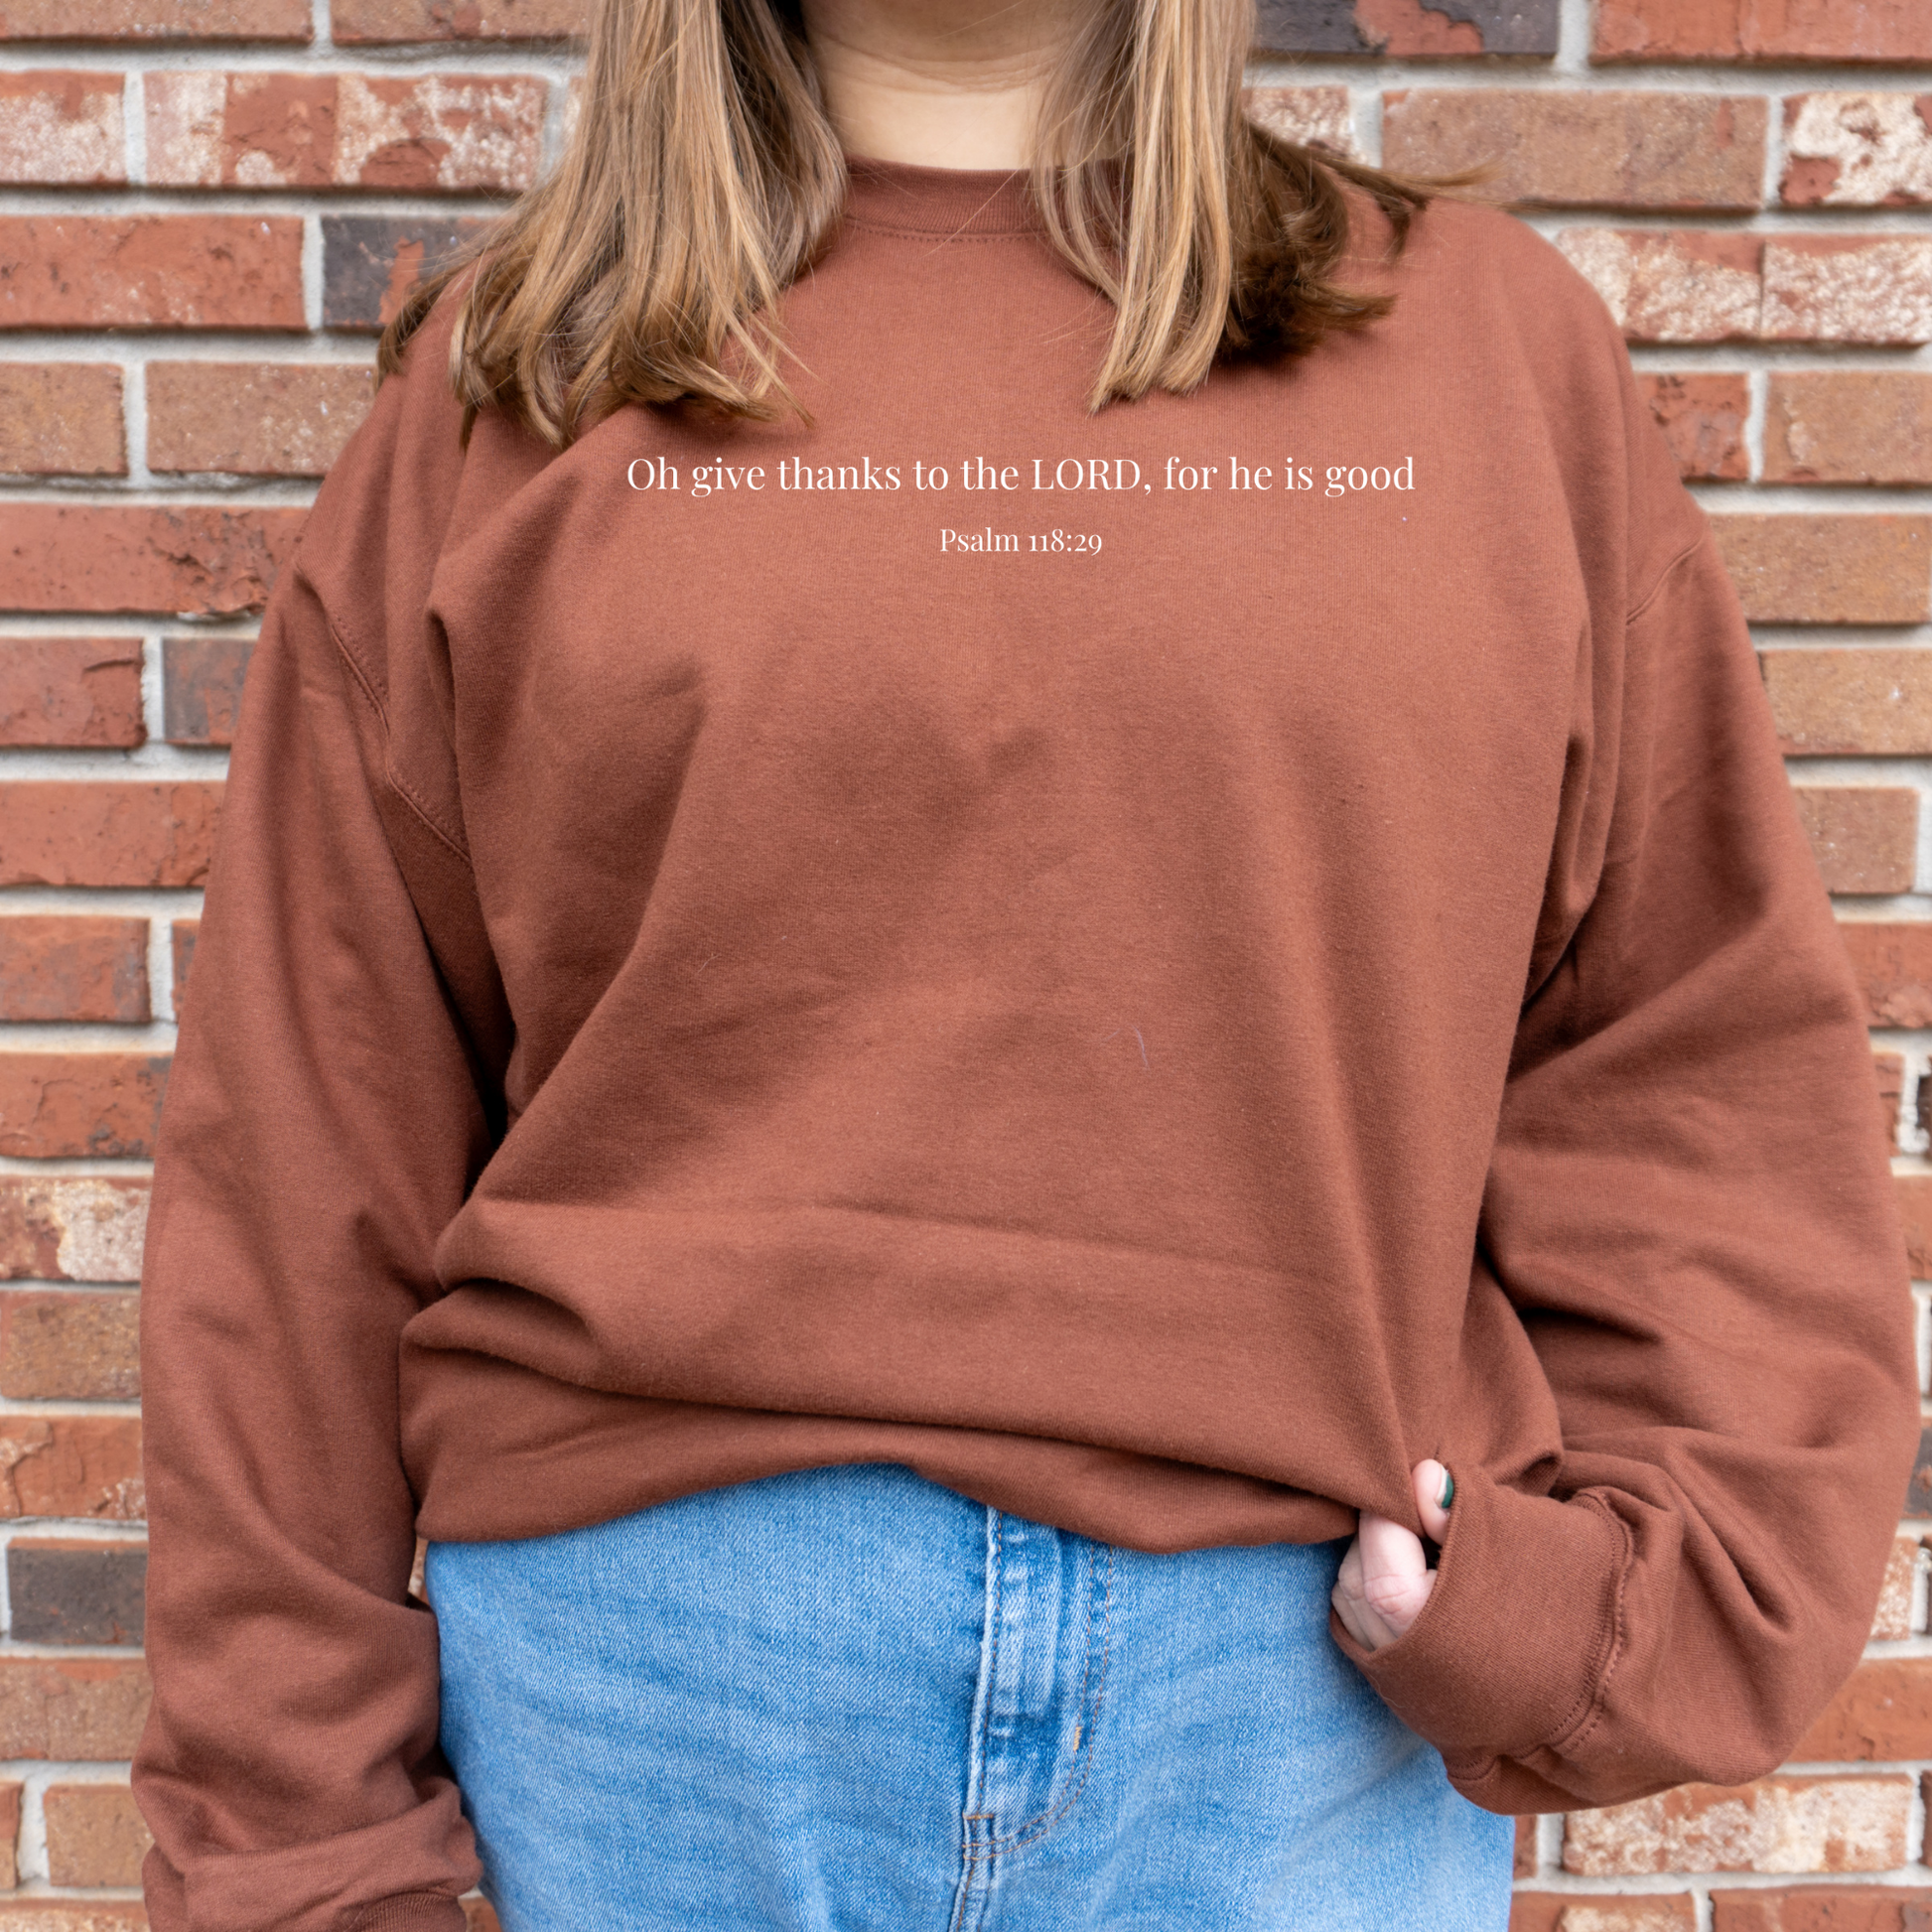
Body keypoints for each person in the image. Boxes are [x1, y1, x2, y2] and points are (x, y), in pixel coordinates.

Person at [129, 0, 1922, 1926]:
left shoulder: (1487, 359)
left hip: (1286, 1720)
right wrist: (297, 1843)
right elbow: (310, 1147)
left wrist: (1615, 1606)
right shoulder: (520, 387)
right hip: (647, 1706)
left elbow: (1684, 1052)